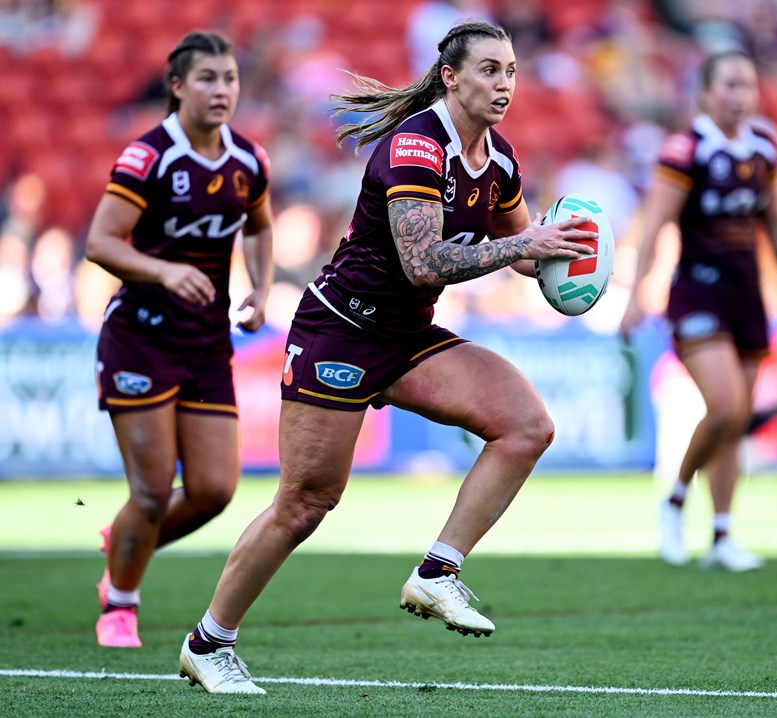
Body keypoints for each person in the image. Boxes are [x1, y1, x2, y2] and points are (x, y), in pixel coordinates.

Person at [178, 20, 598, 694]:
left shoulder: (500, 158)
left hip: (407, 335)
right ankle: (209, 642)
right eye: (489, 70)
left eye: (512, 70)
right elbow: (424, 260)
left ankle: (438, 572)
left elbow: (522, 253)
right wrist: (526, 246)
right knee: (306, 503)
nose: (505, 84)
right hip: (340, 330)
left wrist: (569, 257)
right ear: (451, 76)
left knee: (527, 426)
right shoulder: (416, 145)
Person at [85, 30, 274, 648]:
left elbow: (261, 226)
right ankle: (120, 603)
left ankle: (124, 542)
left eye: (230, 80)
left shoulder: (249, 160)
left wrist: (261, 290)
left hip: (205, 341)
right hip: (139, 338)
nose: (222, 91)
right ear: (176, 87)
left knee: (216, 490)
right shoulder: (150, 156)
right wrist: (165, 269)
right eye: (207, 80)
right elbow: (101, 242)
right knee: (149, 487)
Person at [620, 50, 777, 572]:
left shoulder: (764, 148)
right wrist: (638, 293)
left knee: (736, 421)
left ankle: (723, 535)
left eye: (747, 85)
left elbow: (776, 222)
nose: (740, 95)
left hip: (747, 293)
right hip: (697, 293)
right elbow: (656, 222)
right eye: (729, 85)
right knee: (725, 406)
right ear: (704, 94)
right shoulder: (687, 150)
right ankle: (675, 499)